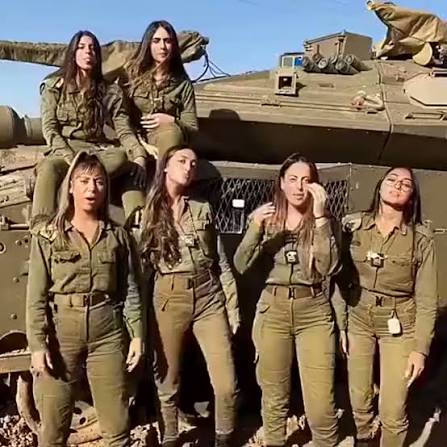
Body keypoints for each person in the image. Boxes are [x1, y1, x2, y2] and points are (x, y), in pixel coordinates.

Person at [27, 152, 143, 447]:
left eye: (99, 182)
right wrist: (38, 345)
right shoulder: (49, 236)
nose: (92, 188)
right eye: (84, 181)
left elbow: (130, 289)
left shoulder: (118, 236)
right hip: (61, 335)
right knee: (53, 429)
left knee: (117, 428)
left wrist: (137, 335)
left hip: (107, 333)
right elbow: (36, 296)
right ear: (70, 187)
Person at [233, 153, 340, 447]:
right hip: (274, 310)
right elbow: (241, 264)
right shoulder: (267, 219)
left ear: (315, 185)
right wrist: (255, 227)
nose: (299, 187)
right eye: (292, 179)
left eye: (306, 180)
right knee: (274, 395)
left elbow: (329, 267)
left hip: (313, 311)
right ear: (281, 183)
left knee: (321, 401)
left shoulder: (325, 221)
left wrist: (320, 218)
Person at [139, 145, 238, 447]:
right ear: (165, 167)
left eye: (194, 163)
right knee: (167, 380)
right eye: (182, 161)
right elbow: (140, 270)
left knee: (226, 384)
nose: (189, 167)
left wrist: (232, 307)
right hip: (169, 297)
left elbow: (220, 261)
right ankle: (170, 438)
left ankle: (224, 438)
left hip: (208, 296)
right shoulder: (147, 211)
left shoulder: (201, 208)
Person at [334, 167, 438, 447]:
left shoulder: (420, 239)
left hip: (400, 322)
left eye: (406, 183)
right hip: (358, 317)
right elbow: (339, 280)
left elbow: (427, 299)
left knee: (393, 407)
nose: (397, 185)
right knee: (359, 395)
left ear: (412, 196)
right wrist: (342, 325)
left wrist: (420, 349)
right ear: (379, 186)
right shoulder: (353, 226)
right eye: (392, 179)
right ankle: (364, 437)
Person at [34, 30, 147, 228]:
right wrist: (72, 160)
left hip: (97, 153)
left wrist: (139, 155)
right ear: (73, 53)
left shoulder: (111, 91)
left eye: (93, 49)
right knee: (48, 168)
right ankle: (41, 226)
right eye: (82, 47)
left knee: (126, 161)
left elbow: (123, 130)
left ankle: (138, 220)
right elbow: (50, 129)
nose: (88, 52)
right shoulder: (54, 87)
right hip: (65, 151)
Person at [121, 20, 198, 158]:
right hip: (135, 141)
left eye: (167, 41)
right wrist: (141, 145)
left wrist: (172, 120)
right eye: (156, 41)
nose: (162, 46)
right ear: (148, 44)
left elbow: (192, 128)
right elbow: (121, 119)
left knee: (171, 134)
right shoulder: (130, 77)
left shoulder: (182, 83)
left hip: (168, 143)